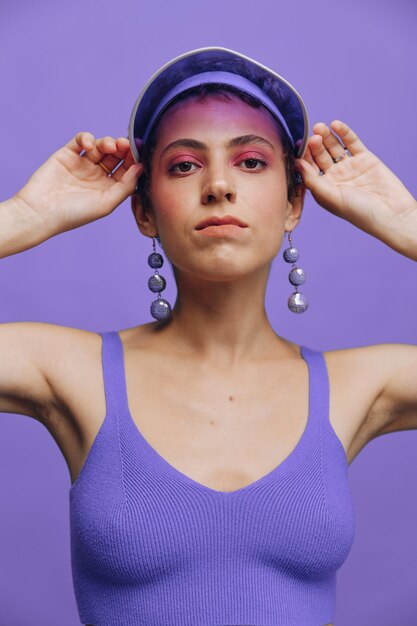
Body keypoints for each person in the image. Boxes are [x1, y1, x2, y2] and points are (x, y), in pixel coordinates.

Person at [1, 46, 416, 626]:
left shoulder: (361, 386)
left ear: (295, 200)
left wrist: (407, 223)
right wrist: (22, 215)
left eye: (250, 162)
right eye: (184, 165)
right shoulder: (71, 371)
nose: (219, 185)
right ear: (144, 212)